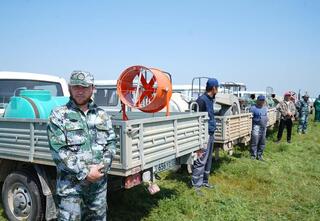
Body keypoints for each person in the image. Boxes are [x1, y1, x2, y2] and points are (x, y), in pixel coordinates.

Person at [47, 71, 116, 221]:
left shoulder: (102, 115)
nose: (80, 91)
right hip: (71, 188)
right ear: (70, 88)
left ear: (92, 88)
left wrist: (101, 169)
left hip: (98, 186)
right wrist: (85, 172)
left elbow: (111, 144)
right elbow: (59, 150)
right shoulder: (59, 115)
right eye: (76, 87)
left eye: (84, 87)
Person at [192, 78, 219, 193]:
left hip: (211, 132)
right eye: (217, 87)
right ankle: (196, 185)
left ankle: (205, 181)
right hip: (204, 134)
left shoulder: (210, 99)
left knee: (208, 159)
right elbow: (195, 118)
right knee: (201, 159)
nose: (218, 89)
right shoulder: (201, 100)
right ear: (214, 88)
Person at [250, 95, 268, 160]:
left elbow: (267, 116)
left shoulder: (265, 108)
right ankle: (253, 155)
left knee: (262, 142)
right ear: (257, 100)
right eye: (261, 100)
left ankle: (260, 155)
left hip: (264, 127)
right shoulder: (253, 108)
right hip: (256, 127)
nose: (262, 101)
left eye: (263, 100)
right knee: (255, 141)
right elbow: (249, 118)